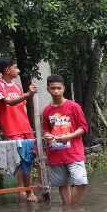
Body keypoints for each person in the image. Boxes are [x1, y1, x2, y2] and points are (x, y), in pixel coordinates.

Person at [0, 56, 39, 202]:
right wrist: (27, 94)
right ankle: (28, 192)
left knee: (27, 158)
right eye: (15, 67)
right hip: (12, 128)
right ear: (7, 70)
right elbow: (9, 102)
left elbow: (21, 105)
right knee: (23, 159)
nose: (18, 70)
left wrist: (28, 95)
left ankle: (22, 190)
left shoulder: (17, 87)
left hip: (25, 127)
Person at [42, 74, 89, 205]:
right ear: (48, 89)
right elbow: (46, 129)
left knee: (81, 182)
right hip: (55, 153)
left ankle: (71, 208)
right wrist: (47, 135)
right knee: (62, 184)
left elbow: (83, 128)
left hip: (74, 153)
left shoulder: (73, 106)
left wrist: (69, 136)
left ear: (63, 88)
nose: (56, 91)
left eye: (58, 88)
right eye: (52, 88)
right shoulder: (47, 110)